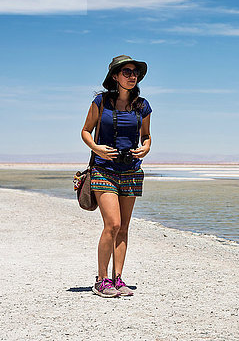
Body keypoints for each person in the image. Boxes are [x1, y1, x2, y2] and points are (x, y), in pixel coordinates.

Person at [81, 55, 152, 297]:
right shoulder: (101, 102)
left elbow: (146, 135)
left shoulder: (142, 106)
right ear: (115, 76)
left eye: (134, 72)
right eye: (127, 72)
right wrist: (97, 148)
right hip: (104, 169)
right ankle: (101, 280)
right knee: (113, 224)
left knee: (124, 228)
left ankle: (118, 278)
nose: (132, 76)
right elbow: (85, 131)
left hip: (131, 170)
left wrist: (146, 146)